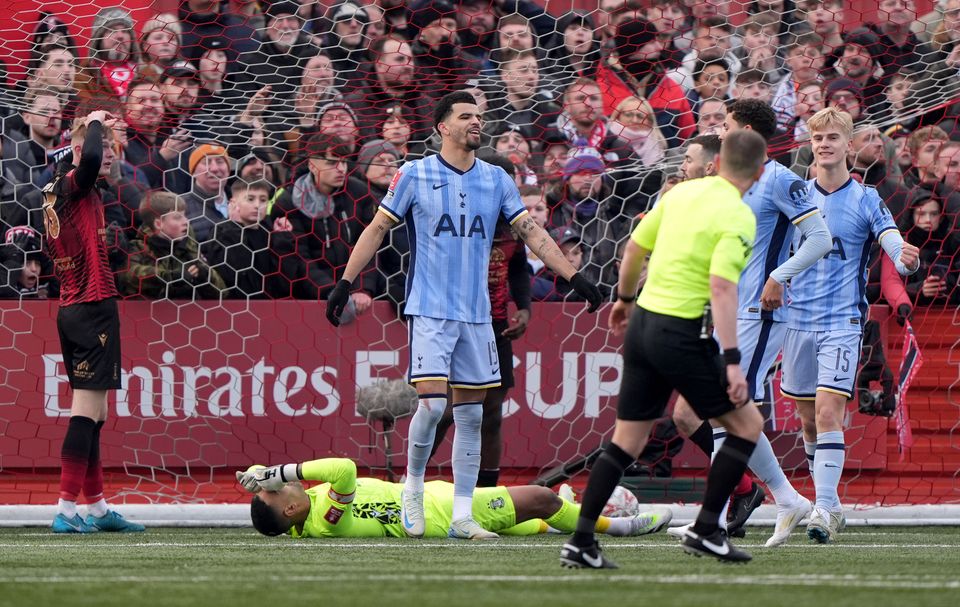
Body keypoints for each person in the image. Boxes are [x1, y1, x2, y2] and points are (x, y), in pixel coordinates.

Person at [325, 91, 602, 540]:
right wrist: (345, 281)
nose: (477, 122)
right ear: (443, 127)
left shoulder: (496, 179)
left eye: (480, 115)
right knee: (434, 406)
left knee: (472, 416)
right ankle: (412, 488)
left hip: (478, 315)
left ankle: (461, 516)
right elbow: (377, 227)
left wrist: (573, 277)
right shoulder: (414, 173)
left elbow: (531, 231)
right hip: (430, 309)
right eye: (466, 116)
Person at [558, 129, 767, 568]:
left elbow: (634, 247)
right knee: (747, 423)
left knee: (627, 441)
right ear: (760, 172)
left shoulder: (679, 196)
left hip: (643, 326)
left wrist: (624, 299)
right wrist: (732, 362)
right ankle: (708, 529)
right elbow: (722, 287)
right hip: (682, 332)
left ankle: (581, 541)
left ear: (717, 161)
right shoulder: (738, 214)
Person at [669, 99, 833, 547]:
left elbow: (821, 238)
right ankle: (782, 497)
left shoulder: (781, 179)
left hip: (759, 312)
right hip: (724, 310)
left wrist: (779, 277)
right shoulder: (729, 181)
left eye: (723, 125)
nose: (717, 132)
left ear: (742, 130)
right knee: (717, 410)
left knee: (726, 406)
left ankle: (719, 519)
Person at [781, 107, 920, 544]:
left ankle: (822, 509)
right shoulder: (795, 194)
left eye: (833, 138)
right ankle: (833, 505)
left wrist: (904, 258)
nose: (824, 144)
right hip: (796, 321)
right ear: (811, 143)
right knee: (808, 421)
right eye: (818, 137)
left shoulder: (866, 197)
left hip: (842, 321)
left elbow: (890, 238)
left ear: (848, 145)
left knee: (828, 412)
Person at [45, 110, 143, 533]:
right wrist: (97, 121)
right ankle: (66, 509)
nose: (106, 155)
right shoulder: (73, 185)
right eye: (99, 147)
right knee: (85, 411)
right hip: (90, 305)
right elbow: (87, 163)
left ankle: (98, 508)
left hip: (78, 307)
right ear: (78, 150)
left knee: (96, 413)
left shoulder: (59, 191)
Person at [236, 458, 672, 539]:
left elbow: (279, 500)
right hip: (442, 514)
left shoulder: (302, 512)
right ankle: (618, 526)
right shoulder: (327, 518)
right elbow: (345, 469)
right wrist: (275, 473)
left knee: (531, 524)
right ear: (290, 509)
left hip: (438, 501)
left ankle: (570, 503)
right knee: (541, 498)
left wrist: (258, 478)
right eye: (278, 492)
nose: (277, 486)